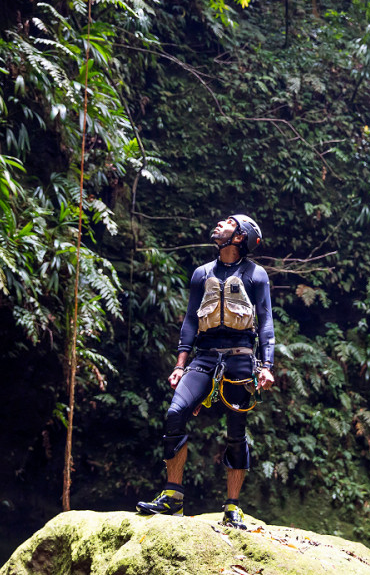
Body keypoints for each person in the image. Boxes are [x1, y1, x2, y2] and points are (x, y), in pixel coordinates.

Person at [136, 214, 276, 529]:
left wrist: (266, 365)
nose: (218, 224)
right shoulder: (202, 274)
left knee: (236, 432)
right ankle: (173, 497)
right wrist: (179, 364)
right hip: (204, 356)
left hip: (240, 358)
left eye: (227, 222)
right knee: (175, 412)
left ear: (240, 236)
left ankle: (232, 507)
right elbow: (189, 320)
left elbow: (266, 322)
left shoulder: (256, 276)